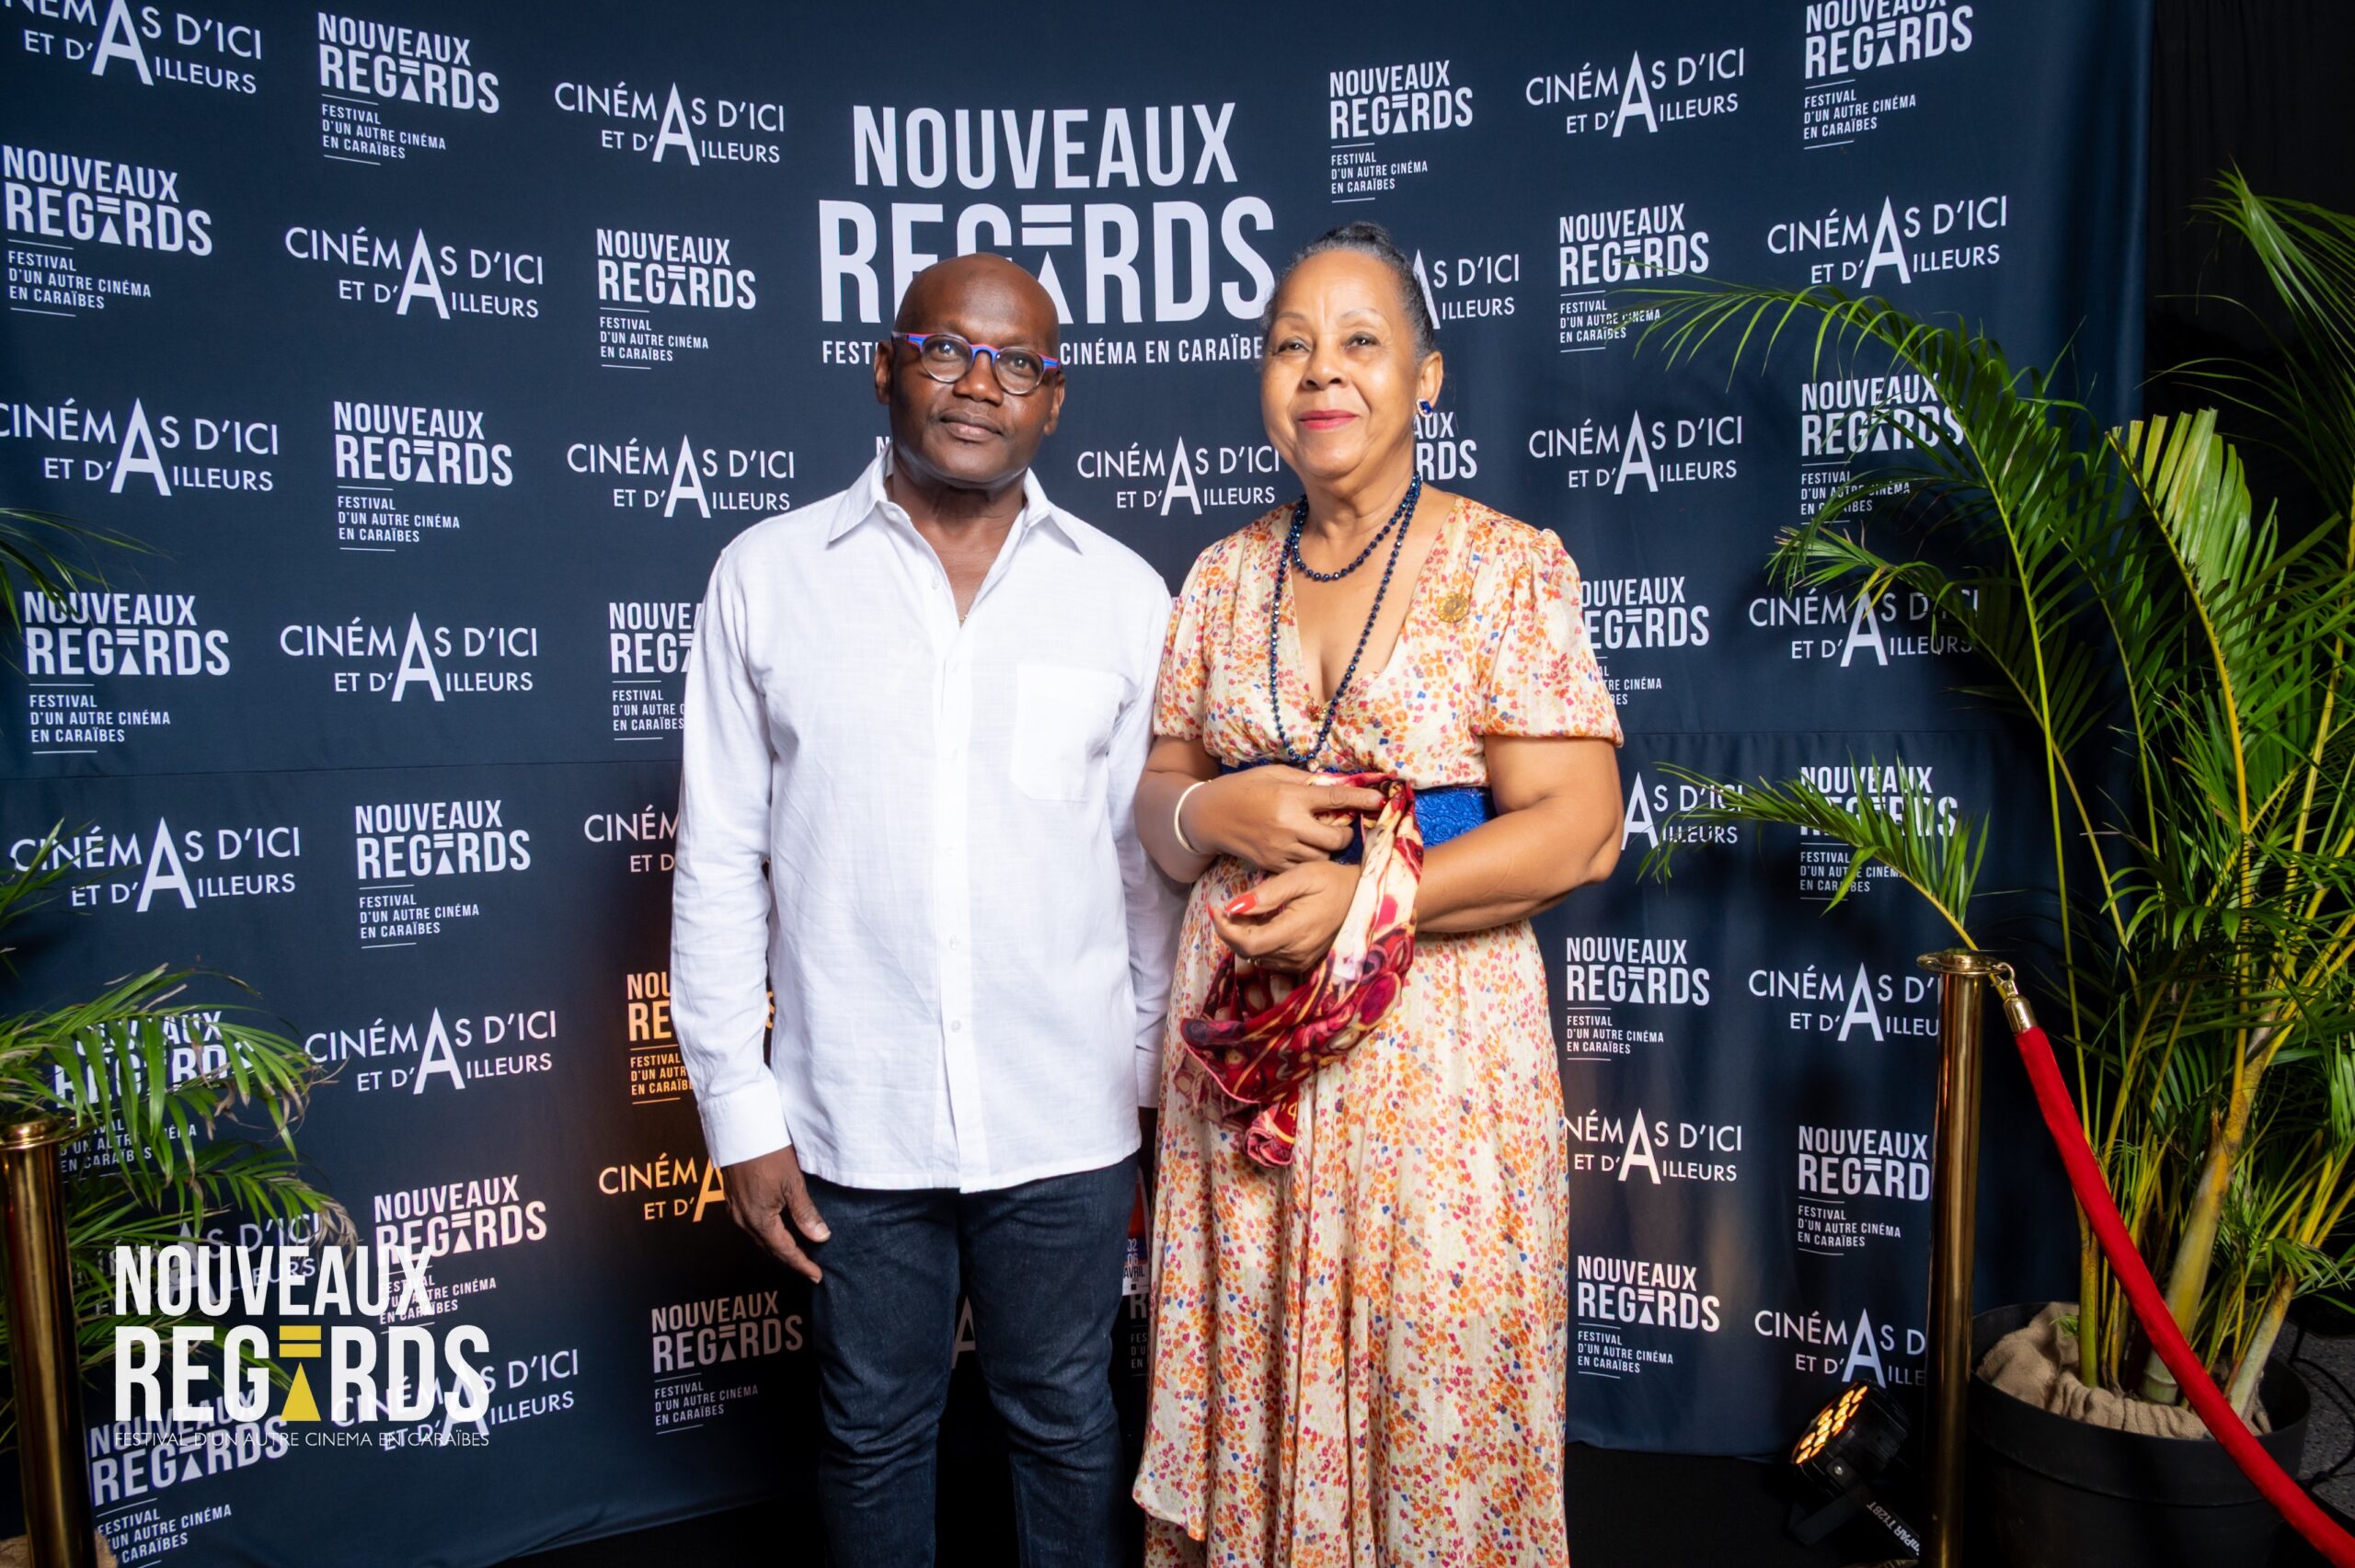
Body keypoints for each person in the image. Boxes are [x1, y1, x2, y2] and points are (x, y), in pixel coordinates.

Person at [669, 250, 1180, 1568]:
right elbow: (719, 861)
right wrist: (741, 1112)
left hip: (1066, 1116)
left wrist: (1146, 1088)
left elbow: (1144, 877)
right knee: (872, 1434)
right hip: (853, 1115)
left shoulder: (1124, 597)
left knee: (1068, 1421)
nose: (979, 384)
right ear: (886, 366)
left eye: (1018, 363)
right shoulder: (765, 577)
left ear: (1054, 400)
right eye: (948, 348)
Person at [1130, 221, 1625, 1566]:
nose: (1321, 371)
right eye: (1291, 344)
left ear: (1427, 377)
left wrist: (1365, 897)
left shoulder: (1506, 567)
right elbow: (1161, 811)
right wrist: (1210, 810)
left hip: (1437, 1076)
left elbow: (1580, 831)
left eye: (1361, 341)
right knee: (1255, 1389)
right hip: (1247, 1075)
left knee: (1432, 1417)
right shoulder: (1222, 576)